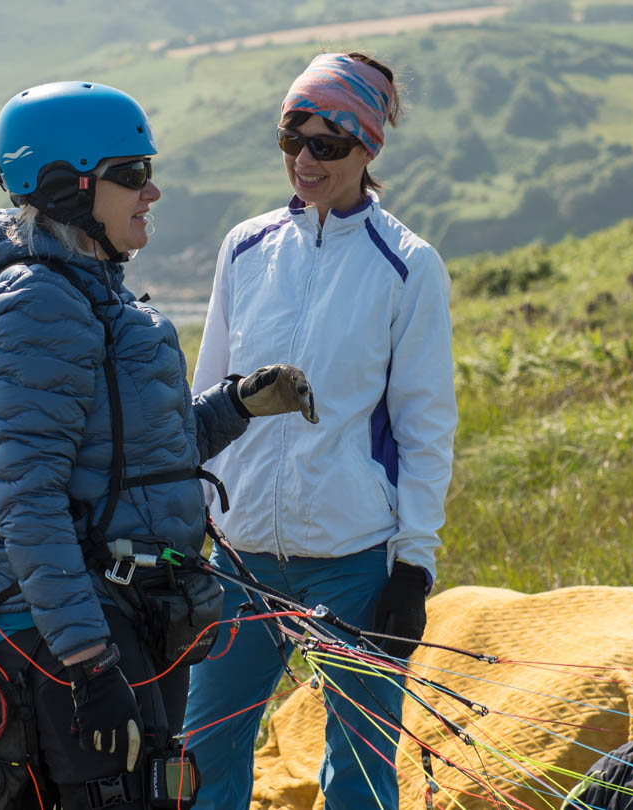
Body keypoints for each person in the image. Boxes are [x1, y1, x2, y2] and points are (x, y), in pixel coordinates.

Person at [0, 81, 317, 810]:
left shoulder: (96, 292)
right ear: (65, 186)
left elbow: (136, 458)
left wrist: (239, 404)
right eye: (132, 174)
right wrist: (90, 665)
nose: (151, 191)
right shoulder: (37, 306)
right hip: (80, 628)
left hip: (137, 610)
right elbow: (29, 503)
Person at [184, 53, 458, 808]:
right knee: (201, 755)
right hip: (237, 561)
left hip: (353, 559)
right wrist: (184, 525)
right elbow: (205, 400)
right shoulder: (244, 248)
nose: (304, 160)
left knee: (361, 772)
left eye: (326, 145)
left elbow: (426, 428)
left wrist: (413, 570)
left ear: (367, 148)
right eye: (290, 139)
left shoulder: (408, 268)